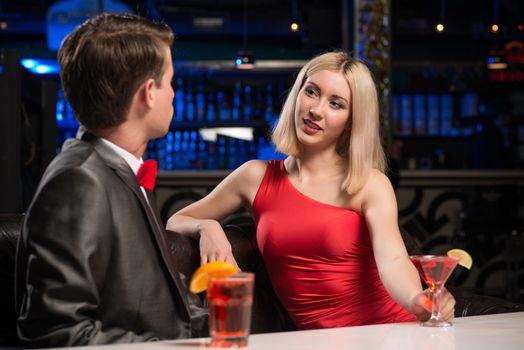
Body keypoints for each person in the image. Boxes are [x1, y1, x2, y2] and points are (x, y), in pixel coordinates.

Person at [166, 51, 455, 330]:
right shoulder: (254, 176)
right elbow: (175, 220)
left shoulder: (369, 183)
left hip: (388, 332)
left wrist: (418, 300)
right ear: (297, 95)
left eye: (336, 104)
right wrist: (208, 227)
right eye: (312, 92)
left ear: (351, 121)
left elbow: (393, 259)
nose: (316, 110)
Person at [15, 13, 196, 347]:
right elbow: (56, 333)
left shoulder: (117, 168)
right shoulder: (78, 181)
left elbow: (163, 304)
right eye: (170, 81)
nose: (174, 93)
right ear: (149, 93)